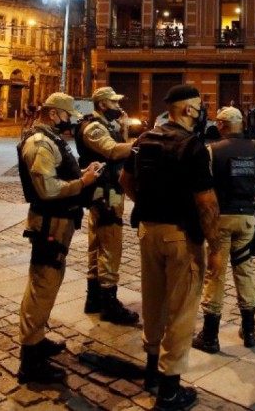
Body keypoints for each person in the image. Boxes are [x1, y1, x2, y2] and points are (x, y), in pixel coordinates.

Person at [122, 84, 222, 409]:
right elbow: (206, 203)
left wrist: (147, 202)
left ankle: (151, 370)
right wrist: (215, 247)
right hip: (181, 236)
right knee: (181, 311)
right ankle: (169, 390)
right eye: (199, 106)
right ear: (187, 109)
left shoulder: (144, 140)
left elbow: (125, 181)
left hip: (148, 231)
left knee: (153, 301)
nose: (202, 111)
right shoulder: (192, 146)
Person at [14, 93, 102, 384]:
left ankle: (37, 339)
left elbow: (58, 173)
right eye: (66, 116)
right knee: (42, 285)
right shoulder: (40, 143)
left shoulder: (51, 139)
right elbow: (48, 189)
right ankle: (30, 360)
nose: (69, 122)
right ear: (53, 114)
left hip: (59, 223)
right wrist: (82, 182)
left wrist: (84, 173)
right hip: (49, 225)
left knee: (48, 283)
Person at [192, 107, 255, 355]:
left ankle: (210, 336)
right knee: (244, 270)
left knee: (216, 273)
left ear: (221, 125)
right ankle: (249, 331)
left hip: (220, 219)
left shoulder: (212, 151)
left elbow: (204, 183)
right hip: (246, 218)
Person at [76, 87, 140, 326]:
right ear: (102, 104)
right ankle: (109, 303)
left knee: (98, 243)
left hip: (107, 190)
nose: (118, 107)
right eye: (113, 103)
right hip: (106, 193)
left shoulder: (105, 124)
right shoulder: (94, 128)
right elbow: (112, 151)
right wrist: (140, 143)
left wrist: (123, 129)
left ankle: (94, 298)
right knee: (110, 243)